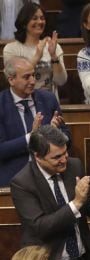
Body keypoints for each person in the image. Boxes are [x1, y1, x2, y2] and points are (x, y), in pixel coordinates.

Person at [10, 125, 90, 260]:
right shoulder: (23, 183)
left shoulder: (74, 165)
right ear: (38, 156)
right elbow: (40, 227)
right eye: (57, 157)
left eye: (65, 153)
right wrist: (76, 203)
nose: (64, 160)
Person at [0, 56, 70, 187]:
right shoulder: (1, 105)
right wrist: (31, 137)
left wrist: (55, 133)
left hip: (51, 175)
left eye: (33, 75)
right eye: (26, 77)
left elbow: (67, 137)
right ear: (11, 80)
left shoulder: (48, 99)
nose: (33, 81)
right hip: (14, 178)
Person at [2, 2, 67, 100]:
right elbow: (13, 80)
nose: (40, 22)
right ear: (24, 23)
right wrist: (37, 56)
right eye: (34, 18)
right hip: (23, 103)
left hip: (50, 103)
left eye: (42, 18)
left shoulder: (53, 46)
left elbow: (61, 81)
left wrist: (53, 56)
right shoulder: (11, 49)